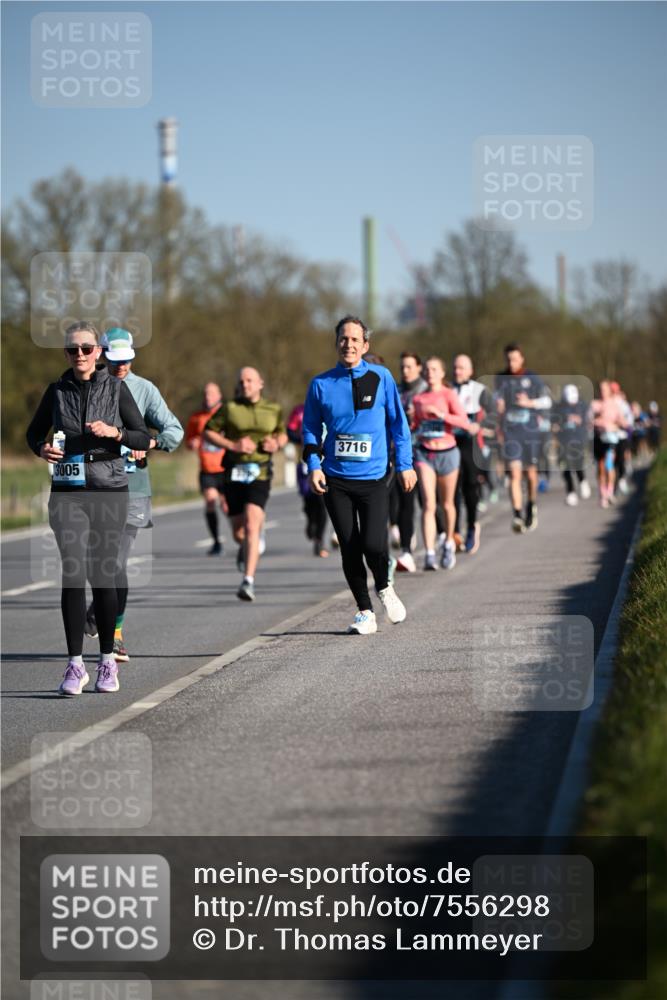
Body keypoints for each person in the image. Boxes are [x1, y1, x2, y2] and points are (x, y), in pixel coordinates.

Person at [26, 321, 150, 695]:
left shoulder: (116, 388)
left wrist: (117, 434)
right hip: (67, 491)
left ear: (99, 352)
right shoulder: (56, 391)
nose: (79, 354)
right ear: (65, 354)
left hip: (110, 487)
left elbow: (142, 435)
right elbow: (34, 434)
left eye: (86, 348)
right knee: (72, 572)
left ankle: (107, 661)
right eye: (72, 349)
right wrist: (40, 448)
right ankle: (75, 664)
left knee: (104, 572)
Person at [302, 315, 417, 634]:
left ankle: (384, 585)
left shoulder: (382, 377)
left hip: (375, 476)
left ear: (365, 345)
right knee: (350, 545)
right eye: (343, 338)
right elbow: (310, 428)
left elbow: (399, 424)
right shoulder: (321, 384)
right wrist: (313, 467)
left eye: (355, 339)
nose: (348, 344)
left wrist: (406, 464)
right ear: (336, 343)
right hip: (336, 478)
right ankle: (365, 611)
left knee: (375, 545)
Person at [84, 328, 184, 661]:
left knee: (116, 562)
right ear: (101, 355)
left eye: (127, 360)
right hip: (94, 487)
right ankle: (98, 608)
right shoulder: (89, 387)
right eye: (115, 361)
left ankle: (114, 633)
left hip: (133, 488)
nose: (121, 366)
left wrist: (150, 443)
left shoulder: (144, 389)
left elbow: (174, 430)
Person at [203, 367, 287, 601]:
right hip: (233, 473)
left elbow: (282, 434)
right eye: (242, 381)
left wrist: (276, 444)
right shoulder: (230, 408)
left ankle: (248, 581)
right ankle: (247, 544)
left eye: (250, 380)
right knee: (239, 532)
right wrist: (233, 446)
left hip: (260, 472)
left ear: (260, 383)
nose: (245, 385)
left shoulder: (273, 409)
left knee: (251, 523)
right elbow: (208, 432)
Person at [411, 357, 474, 570]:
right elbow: (416, 426)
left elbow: (464, 422)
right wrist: (412, 421)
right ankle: (429, 553)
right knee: (429, 504)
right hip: (425, 454)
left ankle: (448, 542)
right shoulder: (418, 398)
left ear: (442, 373)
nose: (429, 373)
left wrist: (443, 415)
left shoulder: (448, 395)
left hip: (448, 452)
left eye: (434, 369)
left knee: (447, 504)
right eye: (427, 369)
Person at [494, 343, 552, 533]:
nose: (511, 363)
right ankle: (517, 515)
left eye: (515, 359)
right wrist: (498, 406)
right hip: (511, 434)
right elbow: (496, 400)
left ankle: (531, 504)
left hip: (531, 433)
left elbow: (547, 400)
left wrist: (530, 402)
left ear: (522, 359)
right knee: (514, 474)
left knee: (531, 475)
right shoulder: (501, 379)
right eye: (509, 359)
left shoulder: (532, 378)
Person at [451, 354, 493, 554]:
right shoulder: (448, 389)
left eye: (461, 368)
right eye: (455, 367)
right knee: (452, 491)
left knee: (469, 488)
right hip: (451, 442)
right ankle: (455, 532)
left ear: (470, 370)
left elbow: (494, 413)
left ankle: (472, 526)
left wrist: (481, 425)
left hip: (471, 444)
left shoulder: (479, 390)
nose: (457, 371)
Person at [392, 351, 427, 573]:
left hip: (426, 452)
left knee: (428, 503)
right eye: (402, 367)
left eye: (409, 367)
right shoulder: (395, 390)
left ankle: (443, 537)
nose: (405, 371)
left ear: (418, 368)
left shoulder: (426, 389)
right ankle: (406, 551)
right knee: (405, 503)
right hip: (402, 454)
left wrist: (420, 415)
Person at [185, 382, 226, 555]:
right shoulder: (197, 418)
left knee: (227, 507)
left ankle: (243, 537)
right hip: (207, 469)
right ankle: (216, 541)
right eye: (205, 394)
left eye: (211, 394)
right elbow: (189, 441)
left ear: (219, 396)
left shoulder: (227, 414)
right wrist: (192, 443)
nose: (208, 397)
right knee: (210, 501)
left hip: (226, 468)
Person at [287, 402, 330, 558]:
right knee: (308, 500)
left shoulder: (332, 408)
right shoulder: (299, 411)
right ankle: (311, 522)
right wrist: (305, 438)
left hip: (327, 461)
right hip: (305, 461)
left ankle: (319, 541)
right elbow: (289, 431)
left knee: (321, 502)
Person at [552, 383, 592, 505]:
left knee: (577, 464)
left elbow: (588, 422)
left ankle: (582, 480)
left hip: (578, 440)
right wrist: (557, 425)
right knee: (566, 468)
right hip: (563, 442)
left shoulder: (583, 406)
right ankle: (571, 492)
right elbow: (553, 423)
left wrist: (580, 420)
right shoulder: (558, 407)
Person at [590, 380, 626, 508]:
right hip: (598, 438)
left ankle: (610, 491)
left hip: (610, 439)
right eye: (600, 389)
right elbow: (587, 420)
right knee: (600, 467)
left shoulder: (615, 405)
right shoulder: (595, 405)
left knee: (609, 465)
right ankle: (603, 493)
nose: (602, 392)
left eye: (605, 389)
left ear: (609, 391)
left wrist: (614, 426)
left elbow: (623, 422)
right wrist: (595, 421)